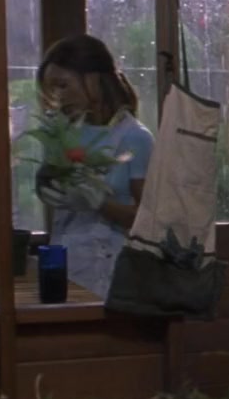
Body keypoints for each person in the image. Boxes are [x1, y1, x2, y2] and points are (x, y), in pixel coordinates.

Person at [33, 34, 154, 298]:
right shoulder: (66, 132)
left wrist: (99, 203)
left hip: (114, 273)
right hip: (66, 265)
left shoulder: (134, 137)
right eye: (50, 89)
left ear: (94, 79)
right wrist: (45, 182)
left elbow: (150, 220)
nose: (57, 97)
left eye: (63, 85)